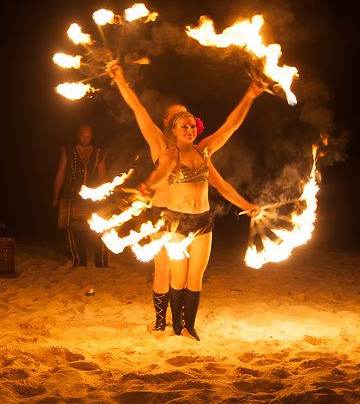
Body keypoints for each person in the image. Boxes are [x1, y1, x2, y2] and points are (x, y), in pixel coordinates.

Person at [107, 61, 262, 336]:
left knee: (191, 276)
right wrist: (120, 79)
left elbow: (229, 129)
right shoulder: (161, 146)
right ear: (170, 125)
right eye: (180, 119)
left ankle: (184, 325)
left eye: (190, 121)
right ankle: (162, 322)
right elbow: (138, 110)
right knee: (163, 272)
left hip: (199, 219)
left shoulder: (203, 153)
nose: (187, 123)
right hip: (165, 216)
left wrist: (250, 95)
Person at [53, 124, 109, 268]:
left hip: (93, 197)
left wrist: (105, 195)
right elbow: (60, 173)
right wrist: (56, 196)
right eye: (83, 136)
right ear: (78, 134)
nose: (85, 139)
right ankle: (80, 260)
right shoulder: (68, 150)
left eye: (88, 136)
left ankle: (100, 262)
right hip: (72, 195)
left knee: (98, 229)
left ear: (92, 136)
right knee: (74, 229)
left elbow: (103, 176)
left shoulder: (98, 153)